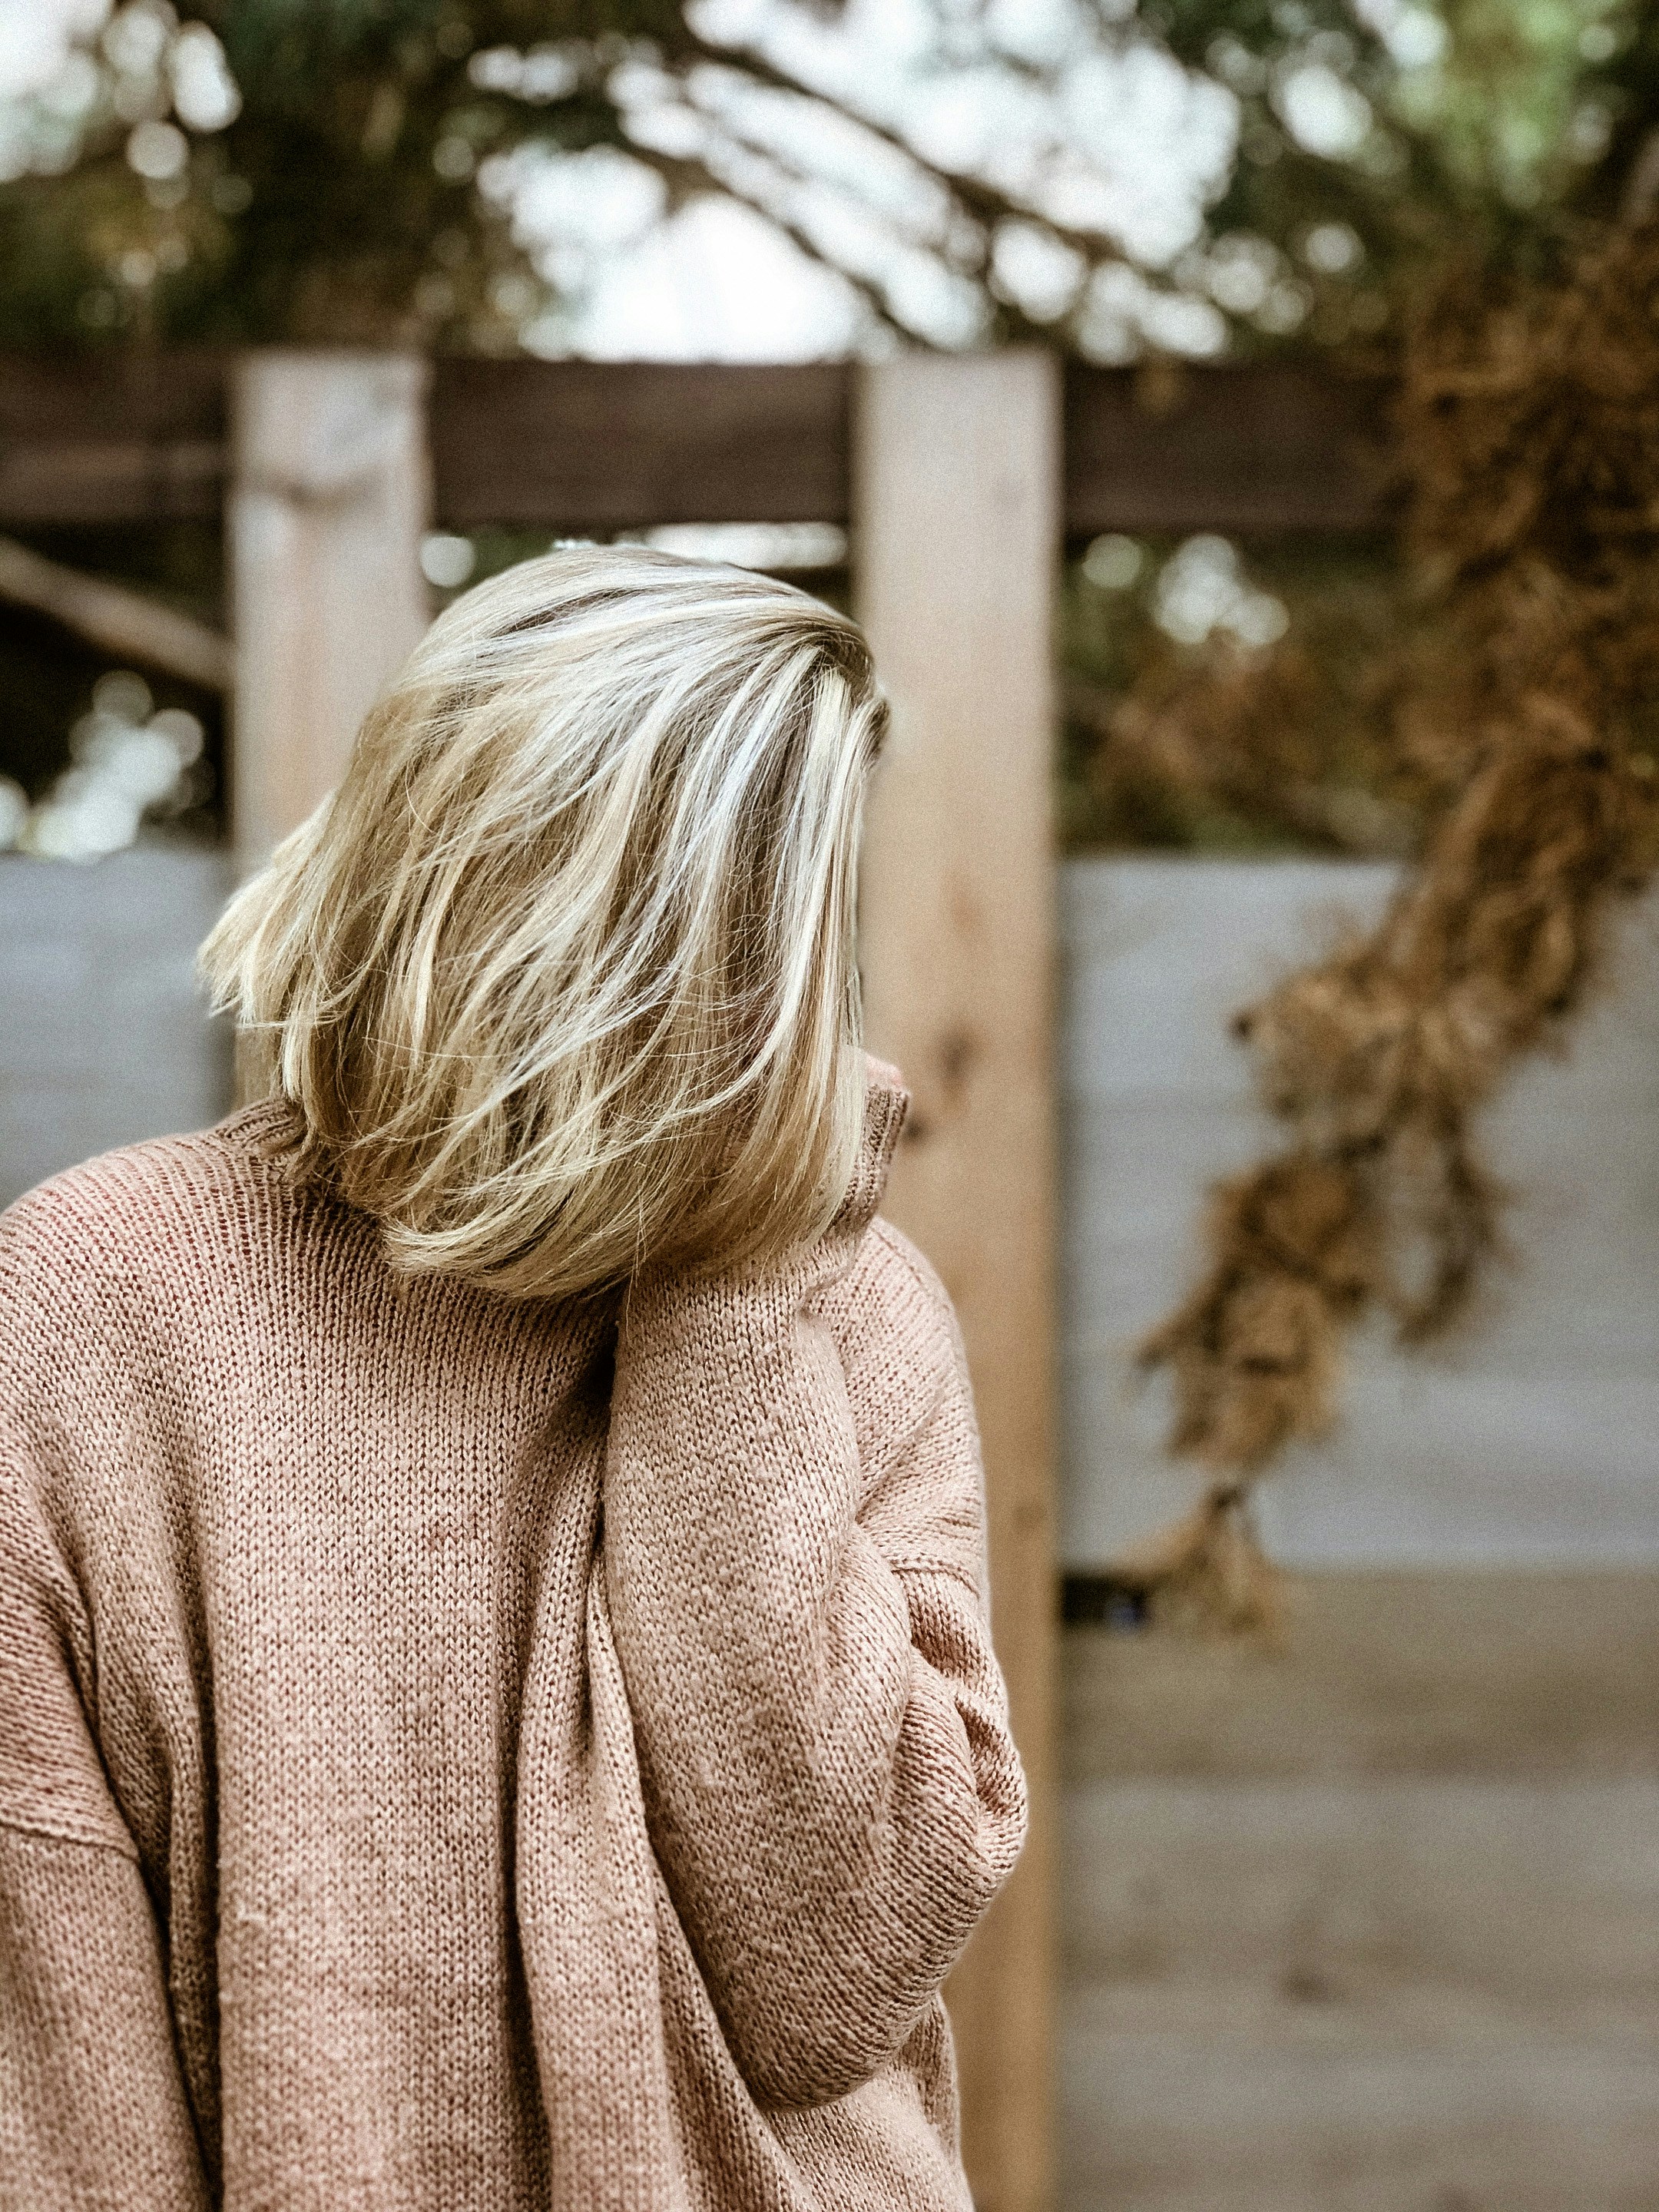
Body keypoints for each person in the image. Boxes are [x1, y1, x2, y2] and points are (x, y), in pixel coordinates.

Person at [0, 547, 1026, 2210]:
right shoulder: (97, 1301)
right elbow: (54, 2067)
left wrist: (731, 1287)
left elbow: (829, 1970)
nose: (799, 976)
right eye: (754, 908)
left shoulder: (849, 1308)